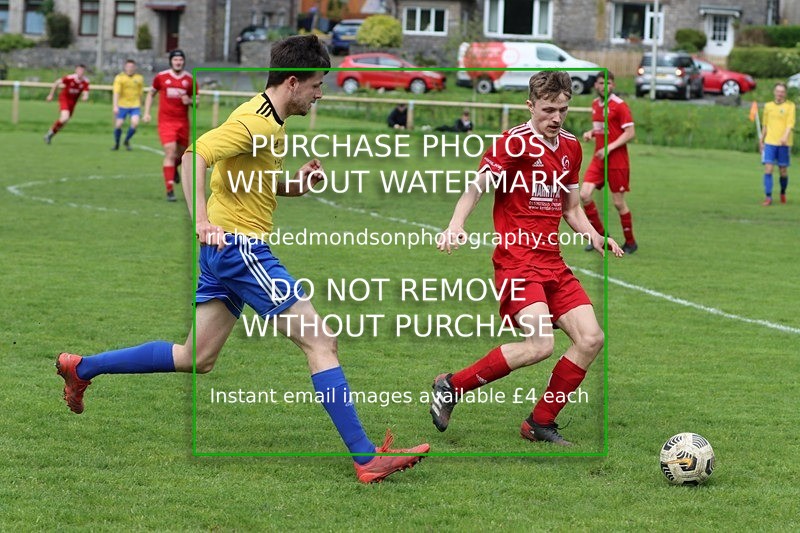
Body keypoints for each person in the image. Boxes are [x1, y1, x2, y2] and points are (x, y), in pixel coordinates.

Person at [55, 34, 429, 484]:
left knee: (196, 356)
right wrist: (201, 221)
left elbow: (246, 180)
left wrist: (295, 185)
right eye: (316, 85)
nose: (320, 94)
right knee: (321, 341)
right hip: (239, 249)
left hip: (222, 252)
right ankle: (366, 458)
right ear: (293, 82)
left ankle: (83, 368)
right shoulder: (256, 123)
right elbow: (195, 156)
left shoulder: (267, 118)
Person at [431, 71, 623, 446]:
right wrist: (456, 223)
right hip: (517, 261)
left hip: (552, 262)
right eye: (548, 110)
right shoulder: (513, 142)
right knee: (540, 345)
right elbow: (476, 187)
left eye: (563, 110)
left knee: (591, 338)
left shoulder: (571, 147)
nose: (556, 118)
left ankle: (540, 422)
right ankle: (452, 386)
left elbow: (571, 209)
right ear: (530, 106)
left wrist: (596, 236)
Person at [580, 72, 637, 254]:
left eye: (608, 83)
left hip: (617, 161)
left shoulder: (620, 106)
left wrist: (609, 148)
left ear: (613, 85)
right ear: (595, 85)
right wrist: (591, 133)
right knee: (584, 194)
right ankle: (601, 237)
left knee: (618, 203)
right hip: (599, 159)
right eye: (600, 83)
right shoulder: (595, 105)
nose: (604, 86)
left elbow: (630, 133)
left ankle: (631, 242)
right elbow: (602, 129)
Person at [143, 49, 197, 202]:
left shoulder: (190, 80)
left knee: (181, 155)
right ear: (171, 61)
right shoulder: (161, 77)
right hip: (166, 122)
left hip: (183, 123)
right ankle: (170, 190)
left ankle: (173, 168)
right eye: (175, 60)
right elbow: (151, 93)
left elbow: (197, 101)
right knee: (170, 152)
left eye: (180, 60)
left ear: (183, 62)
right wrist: (146, 113)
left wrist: (190, 101)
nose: (178, 62)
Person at [759, 82, 794, 205]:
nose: (780, 94)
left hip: (784, 144)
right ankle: (768, 197)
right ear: (774, 92)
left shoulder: (790, 106)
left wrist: (784, 137)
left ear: (785, 93)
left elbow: (790, 124)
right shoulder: (768, 106)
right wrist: (761, 140)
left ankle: (782, 192)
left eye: (782, 92)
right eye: (778, 91)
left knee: (783, 170)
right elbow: (765, 125)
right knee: (768, 169)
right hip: (770, 142)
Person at [44, 64, 90, 144]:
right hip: (64, 99)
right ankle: (49, 133)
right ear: (76, 70)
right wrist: (51, 95)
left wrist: (85, 96)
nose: (80, 72)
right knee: (65, 117)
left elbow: (86, 91)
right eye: (79, 70)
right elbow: (57, 82)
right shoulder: (70, 78)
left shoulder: (85, 81)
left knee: (64, 121)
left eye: (82, 71)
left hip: (73, 102)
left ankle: (50, 134)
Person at [111, 59, 145, 151]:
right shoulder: (119, 78)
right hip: (122, 105)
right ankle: (117, 144)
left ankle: (126, 140)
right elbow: (116, 93)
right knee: (118, 124)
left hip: (135, 105)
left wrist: (141, 106)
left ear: (135, 68)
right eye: (128, 66)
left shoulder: (139, 78)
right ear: (125, 67)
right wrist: (115, 106)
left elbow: (140, 93)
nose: (130, 68)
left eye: (132, 67)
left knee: (135, 123)